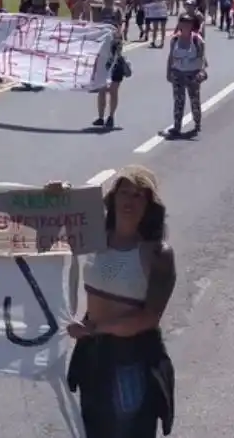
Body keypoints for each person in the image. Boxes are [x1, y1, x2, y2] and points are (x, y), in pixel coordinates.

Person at [67, 165, 177, 438]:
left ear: (149, 205)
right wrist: (56, 197)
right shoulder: (93, 237)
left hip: (132, 360)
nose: (129, 200)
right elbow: (47, 231)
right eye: (124, 192)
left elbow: (149, 318)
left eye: (139, 195)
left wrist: (93, 329)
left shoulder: (157, 253)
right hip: (93, 356)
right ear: (113, 198)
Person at [165, 14, 206, 138]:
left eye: (188, 23)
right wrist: (168, 72)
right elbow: (171, 56)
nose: (186, 25)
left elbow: (201, 57)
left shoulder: (197, 40)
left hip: (192, 73)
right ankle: (177, 126)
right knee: (178, 101)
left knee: (194, 100)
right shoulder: (175, 39)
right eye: (183, 23)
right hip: (178, 73)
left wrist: (200, 71)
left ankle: (197, 123)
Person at [90, 0, 127, 130]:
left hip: (115, 51)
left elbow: (122, 20)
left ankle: (111, 116)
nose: (107, 2)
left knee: (113, 89)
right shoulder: (99, 11)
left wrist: (118, 32)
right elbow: (86, 5)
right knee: (101, 88)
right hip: (102, 52)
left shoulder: (117, 11)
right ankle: (100, 117)